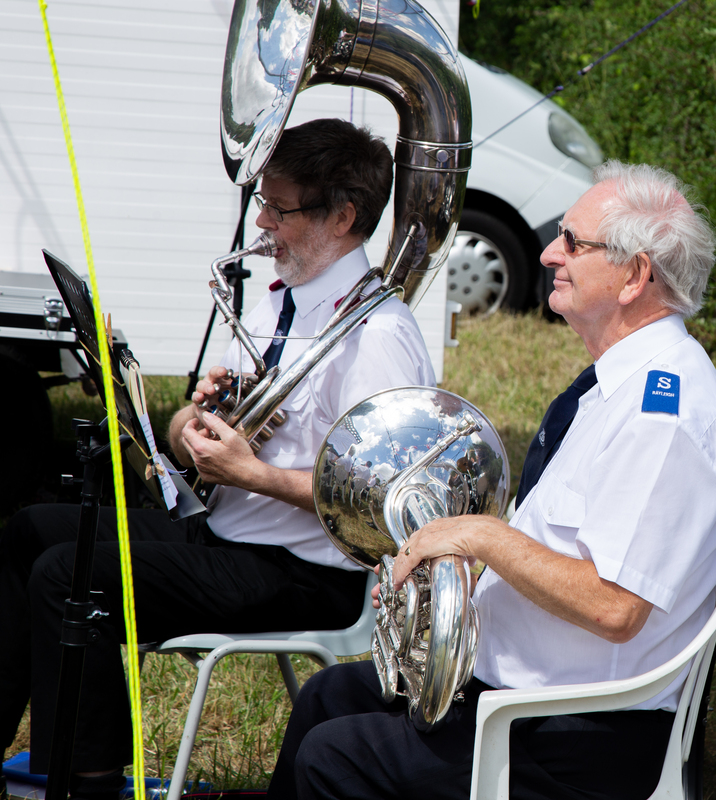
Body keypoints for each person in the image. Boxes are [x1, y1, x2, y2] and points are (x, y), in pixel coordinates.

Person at [266, 160, 716, 800]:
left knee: (335, 760)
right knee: (327, 697)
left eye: (573, 242)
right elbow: (564, 549)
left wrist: (483, 539)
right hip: (523, 699)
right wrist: (450, 580)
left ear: (636, 276)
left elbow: (614, 606)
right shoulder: (621, 386)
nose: (550, 252)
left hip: (576, 733)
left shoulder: (665, 416)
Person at [0, 118, 436, 799]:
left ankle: (88, 781)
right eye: (263, 203)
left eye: (280, 209)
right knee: (29, 529)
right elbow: (190, 430)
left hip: (301, 573)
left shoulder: (375, 336)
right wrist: (190, 426)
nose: (262, 223)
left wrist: (251, 473)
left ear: (343, 217)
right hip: (225, 533)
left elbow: (385, 497)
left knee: (67, 573)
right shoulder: (279, 305)